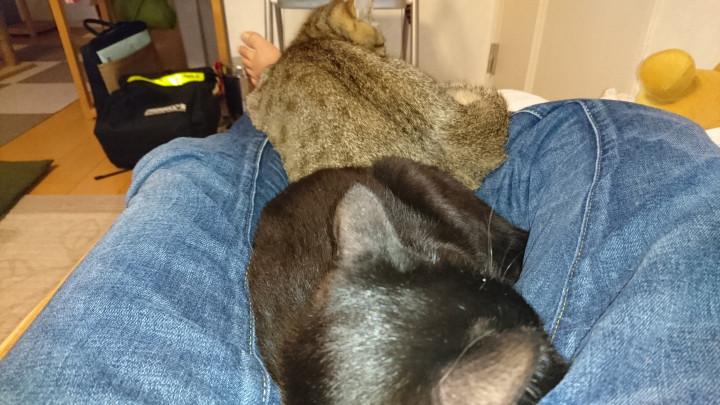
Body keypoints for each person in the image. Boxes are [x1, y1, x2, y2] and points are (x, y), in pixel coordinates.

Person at [1, 33, 719, 404]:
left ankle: (264, 108)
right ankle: (273, 97)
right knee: (640, 136)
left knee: (199, 163)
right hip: (385, 249)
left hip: (365, 236)